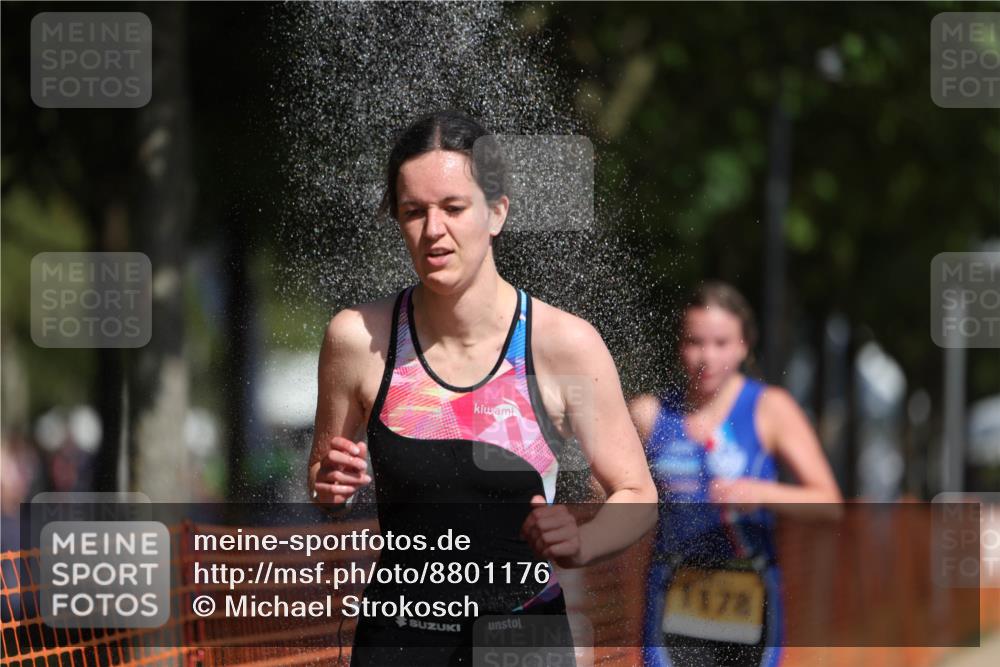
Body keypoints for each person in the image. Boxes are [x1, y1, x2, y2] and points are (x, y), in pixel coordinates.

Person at [307, 110, 657, 666]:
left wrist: (582, 543)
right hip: (401, 638)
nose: (433, 230)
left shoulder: (562, 345)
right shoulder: (358, 340)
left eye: (453, 208)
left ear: (496, 213)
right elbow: (327, 487)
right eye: (413, 212)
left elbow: (638, 494)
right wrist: (330, 489)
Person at [628, 281, 842, 667]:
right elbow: (606, 493)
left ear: (744, 345)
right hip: (674, 592)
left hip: (750, 594)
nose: (707, 357)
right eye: (695, 342)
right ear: (679, 345)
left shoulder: (769, 409)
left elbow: (829, 504)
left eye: (722, 343)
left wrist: (761, 493)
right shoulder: (649, 414)